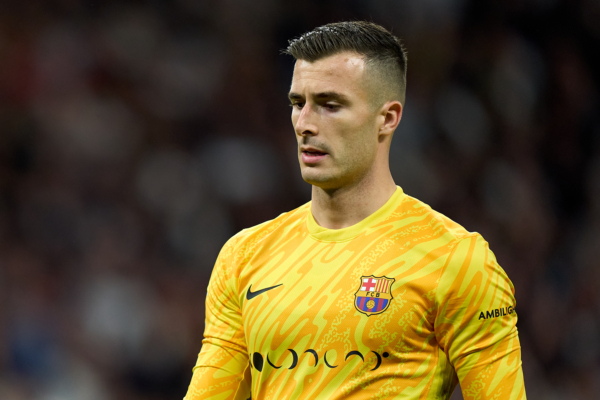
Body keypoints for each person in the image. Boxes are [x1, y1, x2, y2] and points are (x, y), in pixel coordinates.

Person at [184, 21, 526, 400]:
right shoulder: (244, 256)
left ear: (388, 118)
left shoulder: (456, 259)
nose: (305, 124)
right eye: (298, 104)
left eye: (330, 105)